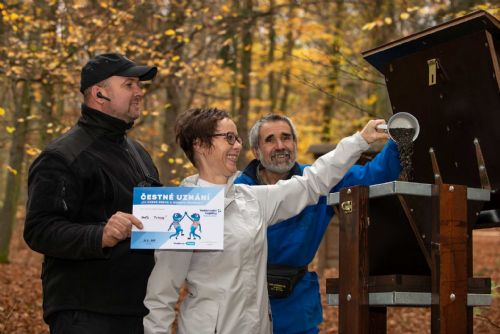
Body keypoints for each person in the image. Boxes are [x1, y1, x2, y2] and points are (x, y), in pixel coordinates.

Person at [143, 107, 389, 334]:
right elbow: (161, 296)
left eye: (237, 138)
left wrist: (359, 141)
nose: (237, 146)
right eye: (228, 138)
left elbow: (312, 182)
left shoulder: (250, 199)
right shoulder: (180, 208)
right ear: (200, 145)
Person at [24, 53, 160, 334]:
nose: (139, 92)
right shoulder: (62, 156)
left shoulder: (139, 153)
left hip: (138, 311)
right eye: (129, 84)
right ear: (100, 93)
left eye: (139, 84)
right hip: (86, 314)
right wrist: (100, 235)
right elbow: (40, 229)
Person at [234, 114, 401, 334]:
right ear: (256, 151)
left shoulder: (320, 180)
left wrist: (398, 142)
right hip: (245, 303)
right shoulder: (237, 190)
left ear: (295, 143)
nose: (280, 146)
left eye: (286, 138)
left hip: (296, 306)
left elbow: (374, 175)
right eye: (270, 140)